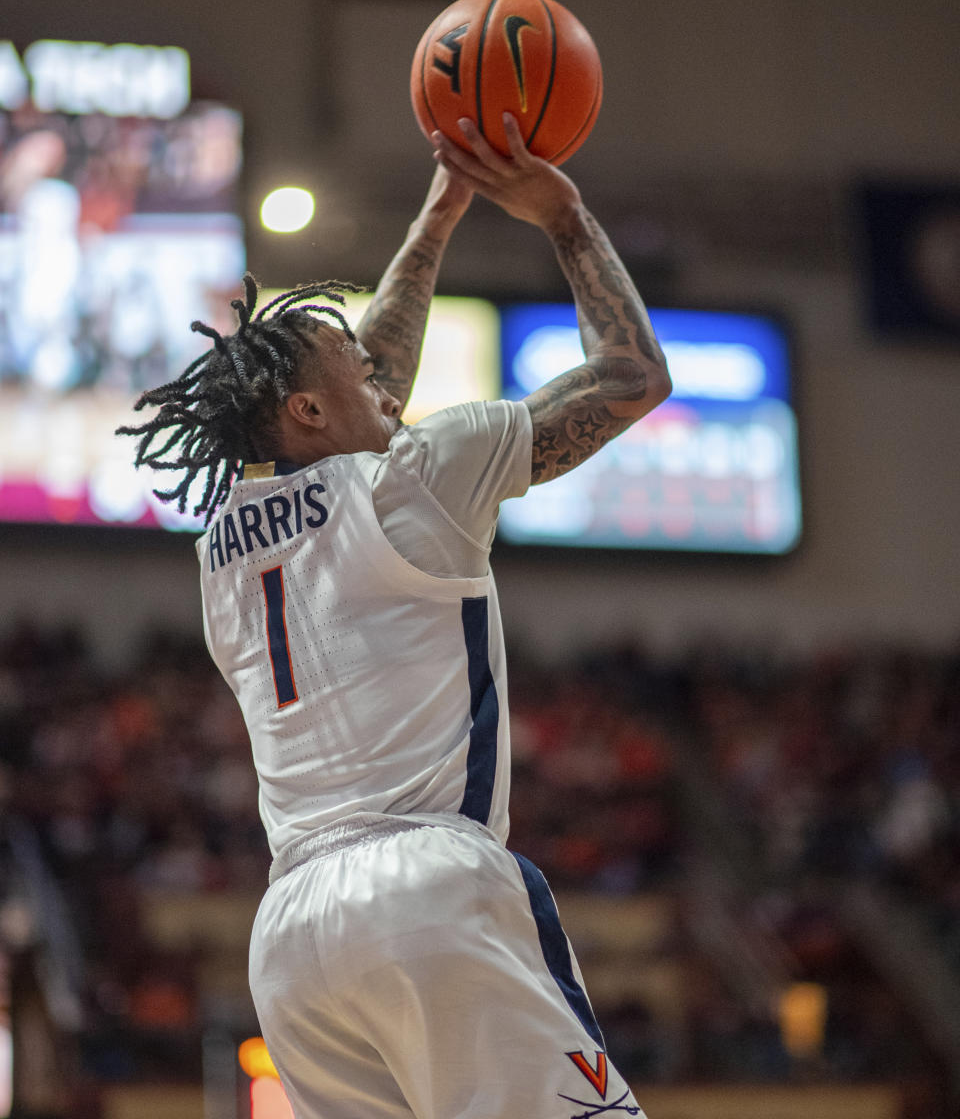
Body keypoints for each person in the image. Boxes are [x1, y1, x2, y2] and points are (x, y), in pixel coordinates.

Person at [118, 113, 671, 1119]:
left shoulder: (223, 550)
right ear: (310, 414)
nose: (378, 372)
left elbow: (362, 401)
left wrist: (441, 209)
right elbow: (634, 380)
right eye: (350, 366)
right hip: (427, 884)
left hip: (291, 942)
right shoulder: (416, 479)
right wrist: (567, 217)